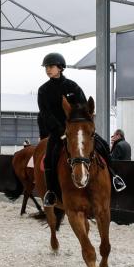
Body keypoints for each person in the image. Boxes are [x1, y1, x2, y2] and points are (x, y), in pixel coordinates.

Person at [37, 52, 125, 206]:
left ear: (60, 67)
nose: (48, 69)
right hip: (58, 132)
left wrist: (82, 127)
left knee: (103, 145)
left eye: (51, 66)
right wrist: (60, 131)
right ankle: (51, 192)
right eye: (46, 67)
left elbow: (84, 107)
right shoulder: (43, 90)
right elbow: (45, 114)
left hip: (79, 130)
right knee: (49, 157)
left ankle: (114, 177)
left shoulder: (73, 86)